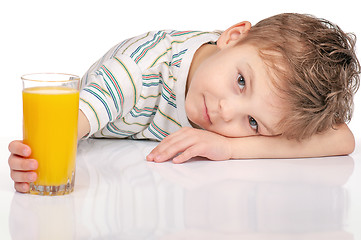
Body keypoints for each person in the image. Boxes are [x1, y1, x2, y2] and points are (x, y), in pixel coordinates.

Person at [8, 13, 360, 193]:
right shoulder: (139, 70)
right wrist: (37, 159)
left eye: (252, 123)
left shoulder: (256, 85)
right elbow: (76, 118)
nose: (226, 112)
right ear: (233, 37)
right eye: (240, 82)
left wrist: (230, 148)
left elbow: (343, 139)